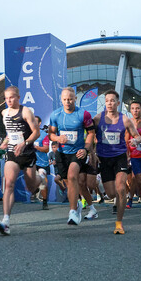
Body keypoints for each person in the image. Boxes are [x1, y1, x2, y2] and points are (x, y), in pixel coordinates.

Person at [0, 86, 46, 235]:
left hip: (27, 153)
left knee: (31, 187)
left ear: (18, 97)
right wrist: (5, 142)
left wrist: (24, 143)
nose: (9, 101)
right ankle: (5, 221)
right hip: (12, 153)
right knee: (9, 184)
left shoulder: (26, 112)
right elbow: (10, 133)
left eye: (11, 97)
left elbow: (36, 132)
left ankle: (41, 177)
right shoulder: (4, 113)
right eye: (6, 98)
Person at [93, 90, 141, 234]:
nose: (109, 103)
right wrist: (92, 152)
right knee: (111, 193)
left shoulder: (125, 119)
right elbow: (89, 134)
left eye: (112, 100)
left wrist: (135, 141)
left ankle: (119, 223)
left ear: (118, 103)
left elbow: (138, 136)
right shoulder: (98, 118)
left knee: (121, 188)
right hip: (104, 158)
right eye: (107, 101)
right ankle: (118, 198)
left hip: (120, 157)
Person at [49, 87, 97, 225]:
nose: (67, 102)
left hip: (78, 152)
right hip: (62, 154)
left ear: (75, 98)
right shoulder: (55, 115)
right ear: (61, 100)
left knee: (72, 176)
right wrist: (58, 138)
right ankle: (82, 206)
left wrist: (86, 149)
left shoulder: (83, 114)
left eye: (70, 99)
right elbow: (51, 134)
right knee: (70, 184)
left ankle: (73, 212)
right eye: (65, 99)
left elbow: (91, 133)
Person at [34, 116, 51, 210]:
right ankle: (35, 188)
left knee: (43, 182)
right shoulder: (28, 133)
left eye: (35, 121)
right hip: (31, 162)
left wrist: (36, 147)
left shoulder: (44, 134)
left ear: (39, 123)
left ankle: (44, 202)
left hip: (42, 163)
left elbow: (46, 149)